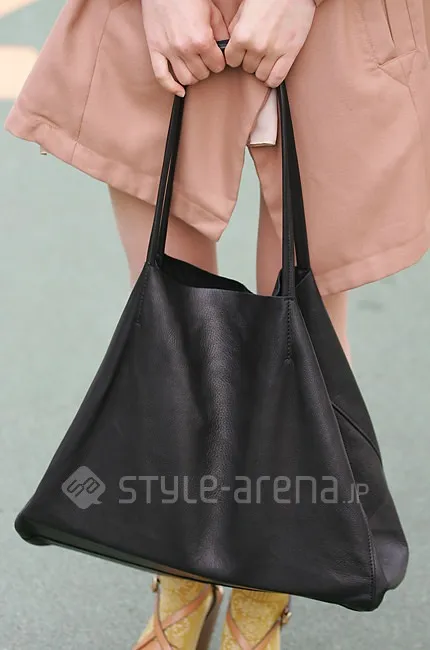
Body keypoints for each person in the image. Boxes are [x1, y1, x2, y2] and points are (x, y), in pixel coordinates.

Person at [5, 0, 430, 647]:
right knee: (169, 329)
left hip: (336, 23)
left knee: (306, 333)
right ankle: (182, 576)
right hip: (171, 20)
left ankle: (264, 591)